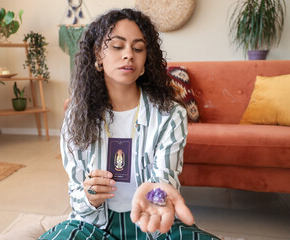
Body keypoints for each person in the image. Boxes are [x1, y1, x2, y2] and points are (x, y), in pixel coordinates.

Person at [39, 8, 220, 240]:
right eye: (117, 46)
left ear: (146, 60)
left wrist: (154, 198)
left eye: (138, 48)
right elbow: (77, 192)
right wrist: (90, 196)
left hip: (153, 223)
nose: (128, 55)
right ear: (97, 55)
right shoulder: (77, 114)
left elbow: (166, 179)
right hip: (93, 226)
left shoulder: (170, 114)